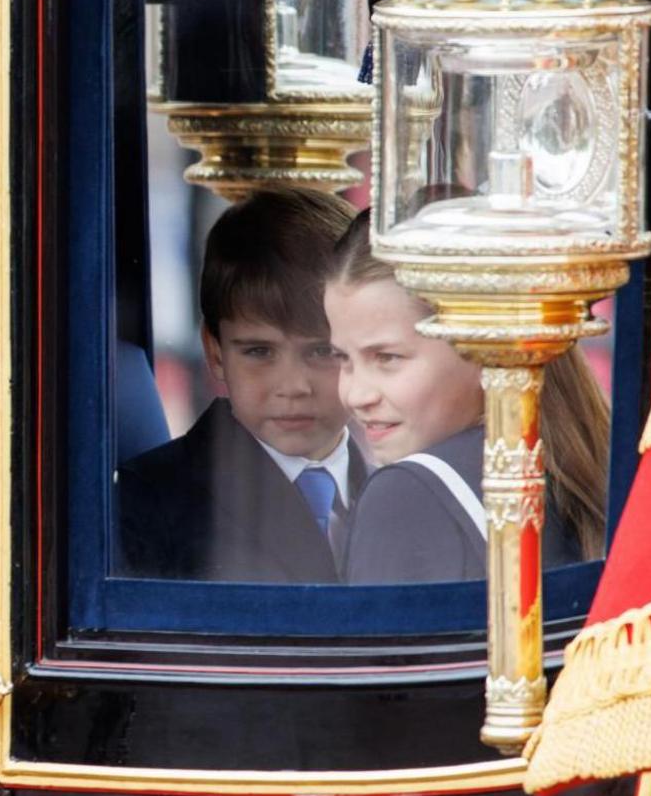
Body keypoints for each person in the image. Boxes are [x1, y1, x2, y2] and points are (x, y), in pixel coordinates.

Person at [328, 213, 607, 584]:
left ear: (484, 345)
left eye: (387, 358)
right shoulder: (580, 465)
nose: (355, 395)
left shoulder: (407, 496)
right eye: (342, 359)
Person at [113, 186, 366, 583]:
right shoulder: (146, 504)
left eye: (321, 351)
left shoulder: (402, 490)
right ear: (215, 353)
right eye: (259, 352)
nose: (293, 386)